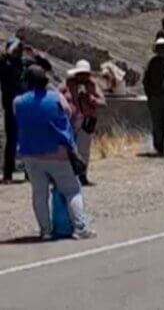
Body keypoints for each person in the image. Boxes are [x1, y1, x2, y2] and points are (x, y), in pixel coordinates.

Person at [15, 65, 95, 239]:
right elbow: (68, 112)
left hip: (30, 154)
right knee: (72, 190)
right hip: (57, 152)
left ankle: (45, 231)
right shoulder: (56, 97)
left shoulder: (18, 102)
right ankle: (80, 228)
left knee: (39, 193)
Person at [1, 38, 52, 184]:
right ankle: (8, 175)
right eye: (15, 49)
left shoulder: (26, 63)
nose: (18, 51)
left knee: (28, 139)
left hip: (28, 106)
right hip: (11, 107)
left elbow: (46, 67)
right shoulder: (5, 64)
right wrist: (9, 52)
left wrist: (35, 55)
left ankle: (29, 173)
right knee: (11, 141)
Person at [59, 60, 107, 186]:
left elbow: (103, 102)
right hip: (70, 121)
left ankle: (82, 176)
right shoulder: (67, 84)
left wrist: (92, 99)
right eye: (80, 74)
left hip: (87, 121)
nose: (83, 77)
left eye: (85, 74)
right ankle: (69, 175)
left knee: (84, 150)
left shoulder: (92, 85)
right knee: (69, 148)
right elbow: (57, 96)